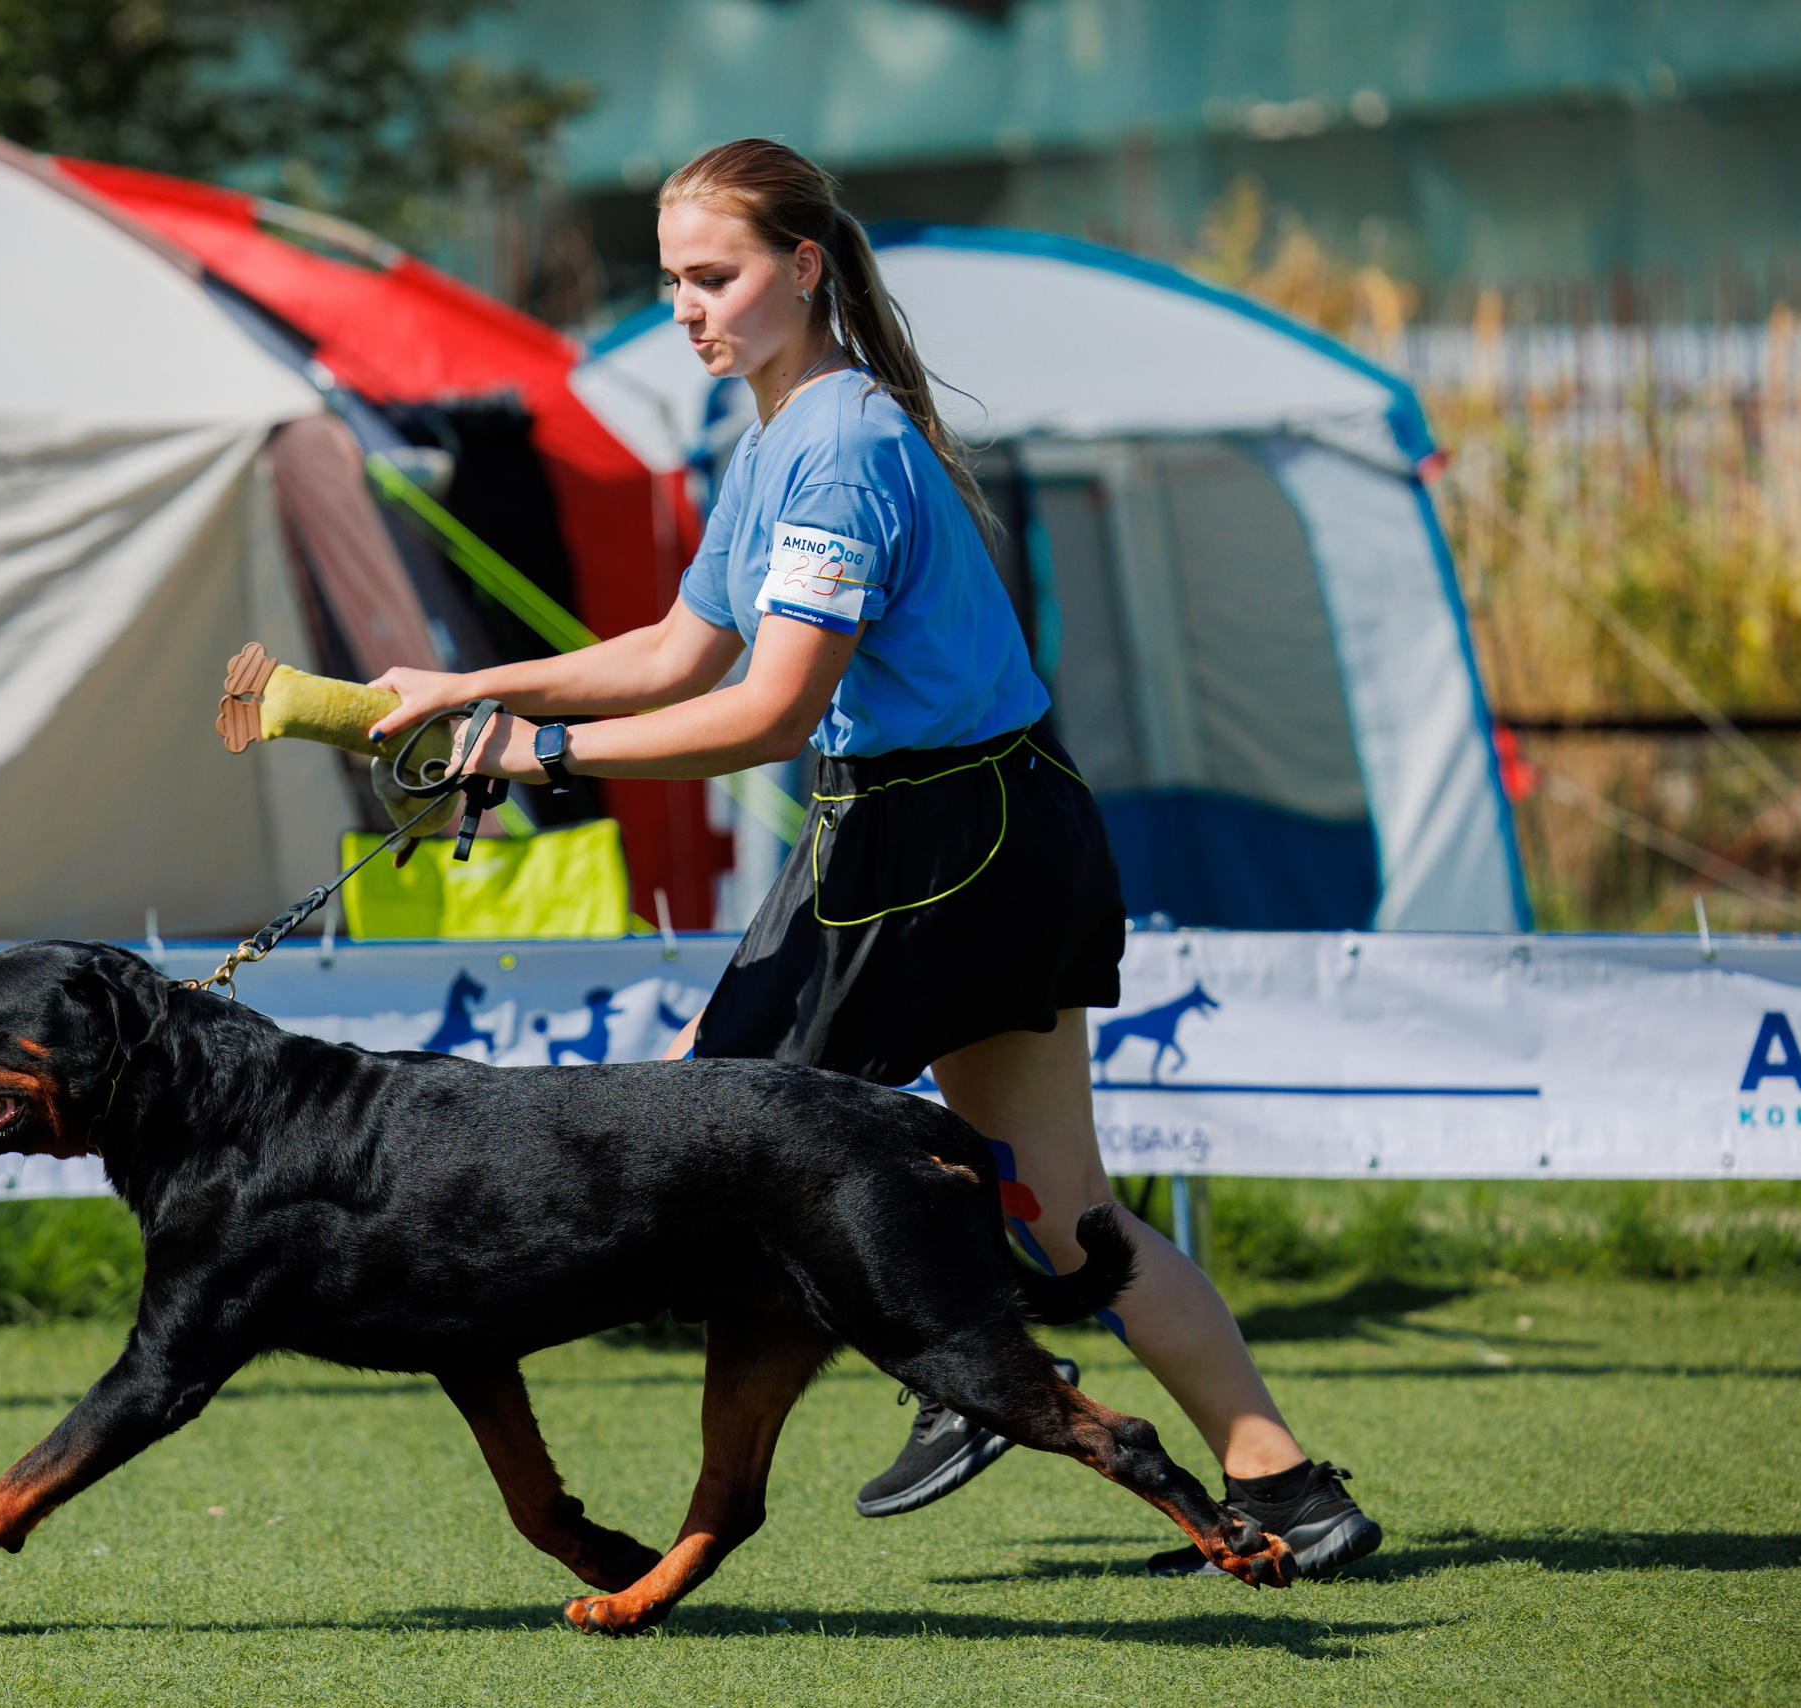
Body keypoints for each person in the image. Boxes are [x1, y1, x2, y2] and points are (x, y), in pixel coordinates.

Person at [365, 138, 1379, 1580]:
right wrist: (471, 695)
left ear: (804, 268)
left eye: (714, 277)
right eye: (671, 282)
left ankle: (943, 1351)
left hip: (940, 843)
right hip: (982, 830)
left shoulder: (836, 444)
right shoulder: (777, 433)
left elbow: (768, 711)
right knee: (1062, 1221)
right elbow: (675, 652)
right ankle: (1289, 1492)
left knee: (721, 1134)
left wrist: (540, 758)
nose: (688, 310)